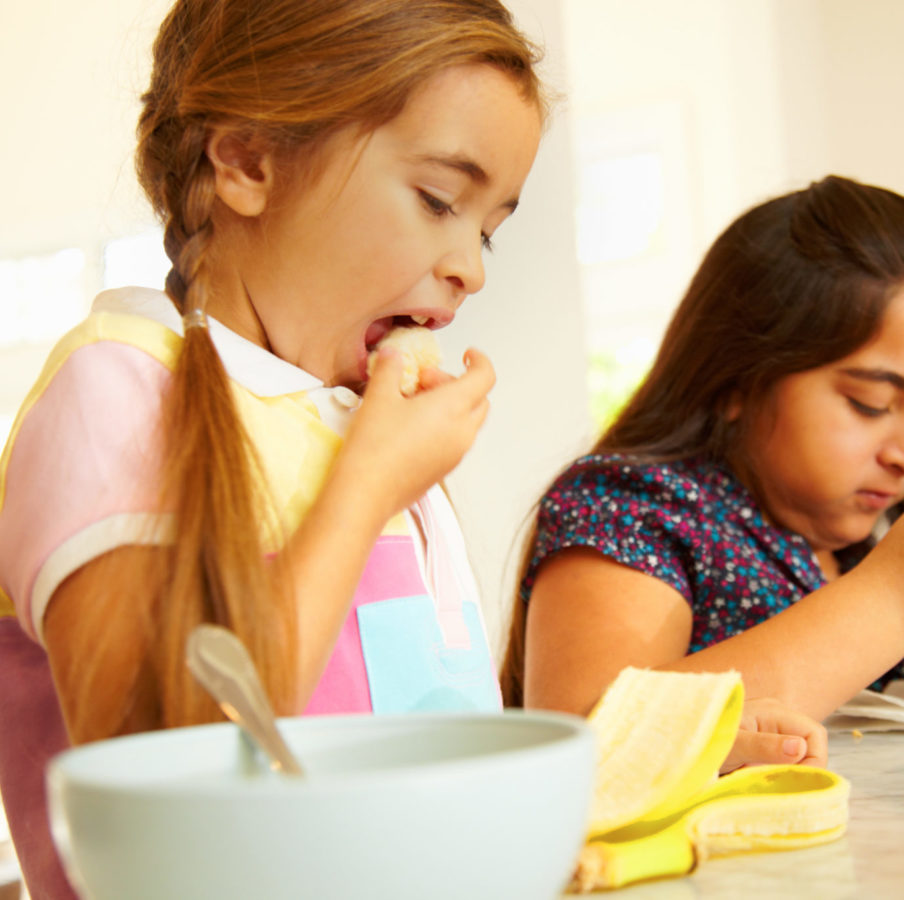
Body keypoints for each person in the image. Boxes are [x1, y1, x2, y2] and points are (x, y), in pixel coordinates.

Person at [0, 2, 545, 896]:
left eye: (486, 229)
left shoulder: (355, 425)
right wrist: (366, 488)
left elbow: (416, 756)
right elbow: (166, 773)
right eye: (440, 199)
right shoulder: (119, 389)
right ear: (249, 162)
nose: (472, 269)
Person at [502, 175, 904, 726]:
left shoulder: (857, 552)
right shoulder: (629, 507)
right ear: (739, 379)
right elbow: (591, 743)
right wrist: (895, 598)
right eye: (870, 402)